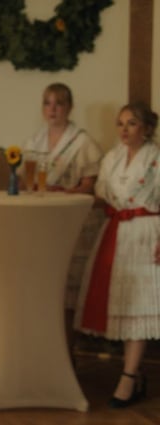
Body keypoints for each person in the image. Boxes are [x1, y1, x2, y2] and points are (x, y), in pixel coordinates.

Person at [75, 102, 160, 408]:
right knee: (123, 303)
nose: (125, 129)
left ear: (146, 128)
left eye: (132, 123)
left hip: (146, 234)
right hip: (116, 232)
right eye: (121, 123)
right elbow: (102, 195)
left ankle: (128, 375)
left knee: (139, 303)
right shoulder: (112, 158)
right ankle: (133, 374)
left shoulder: (156, 158)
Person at [22, 83, 103, 357]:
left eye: (59, 103)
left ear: (69, 107)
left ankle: (67, 353)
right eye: (48, 103)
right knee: (44, 288)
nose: (53, 109)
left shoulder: (82, 141)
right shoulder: (35, 142)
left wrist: (69, 193)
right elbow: (26, 181)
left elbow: (89, 184)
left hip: (71, 220)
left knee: (68, 291)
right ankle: (42, 351)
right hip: (42, 218)